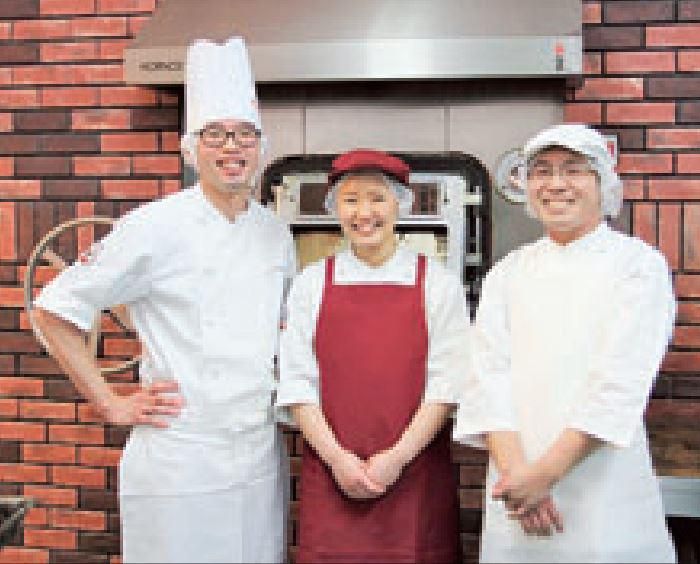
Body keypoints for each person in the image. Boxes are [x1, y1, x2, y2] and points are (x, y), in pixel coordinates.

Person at [31, 37, 295, 563]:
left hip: (258, 456)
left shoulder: (275, 233)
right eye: (216, 134)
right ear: (191, 149)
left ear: (260, 147)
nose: (232, 148)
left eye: (244, 134)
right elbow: (54, 309)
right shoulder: (154, 226)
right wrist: (109, 402)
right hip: (181, 459)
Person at [454, 124, 677, 563]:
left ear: (603, 183)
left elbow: (620, 383)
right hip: (515, 489)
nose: (555, 184)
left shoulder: (637, 267)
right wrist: (520, 477)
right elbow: (486, 379)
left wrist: (546, 475)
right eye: (541, 171)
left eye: (573, 170)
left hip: (602, 486)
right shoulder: (508, 272)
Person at [276, 149, 467, 563]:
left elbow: (447, 385)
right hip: (332, 473)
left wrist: (396, 458)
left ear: (401, 204)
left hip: (414, 474)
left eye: (378, 198)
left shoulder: (438, 284)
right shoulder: (311, 284)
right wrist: (337, 459)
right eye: (351, 200)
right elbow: (296, 383)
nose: (364, 213)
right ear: (334, 208)